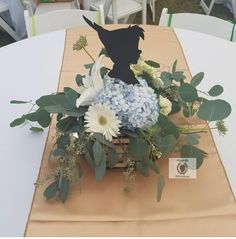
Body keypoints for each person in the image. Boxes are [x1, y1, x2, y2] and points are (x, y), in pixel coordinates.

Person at [83, 16, 144, 84]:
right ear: (118, 54)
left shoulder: (126, 76)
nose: (139, 52)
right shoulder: (115, 81)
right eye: (133, 49)